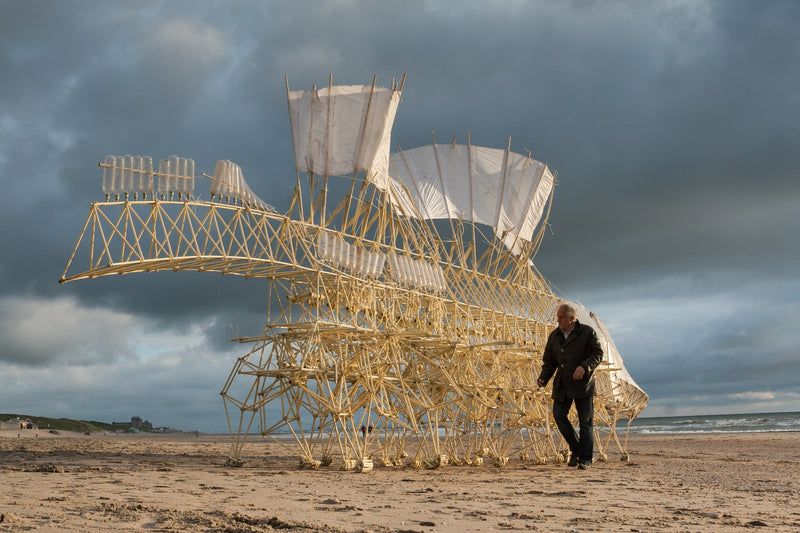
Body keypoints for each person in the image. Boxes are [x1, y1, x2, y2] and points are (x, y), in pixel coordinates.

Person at [537, 302, 603, 469]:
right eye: (558, 317)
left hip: (583, 384)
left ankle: (586, 459)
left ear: (572, 319)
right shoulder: (554, 336)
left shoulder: (588, 333)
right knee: (559, 415)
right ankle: (576, 449)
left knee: (585, 422)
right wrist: (544, 377)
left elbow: (597, 354)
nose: (558, 320)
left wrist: (584, 366)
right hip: (563, 383)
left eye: (561, 318)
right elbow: (550, 361)